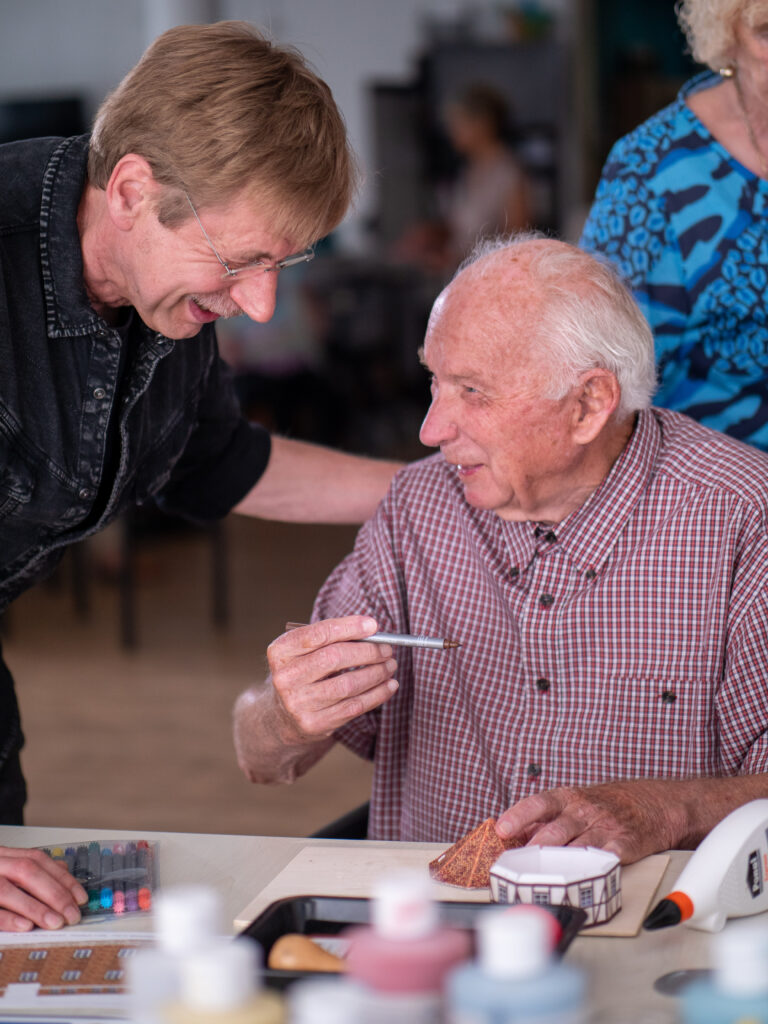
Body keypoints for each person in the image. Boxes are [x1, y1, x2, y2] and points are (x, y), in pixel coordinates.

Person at [0, 20, 400, 929]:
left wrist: (429, 487)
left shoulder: (162, 288)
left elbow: (218, 461)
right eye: (241, 261)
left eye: (281, 264)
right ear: (134, 189)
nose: (259, 304)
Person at [234, 235, 768, 866]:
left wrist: (670, 810)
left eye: (472, 391)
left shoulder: (740, 519)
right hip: (429, 933)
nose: (430, 431)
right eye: (435, 381)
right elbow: (259, 759)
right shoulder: (416, 509)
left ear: (588, 406)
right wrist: (283, 716)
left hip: (649, 931)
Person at [580, 0, 768, 450]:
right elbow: (601, 376)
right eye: (767, 32)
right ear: (728, 37)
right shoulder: (649, 169)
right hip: (717, 492)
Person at [396, 83, 531, 273]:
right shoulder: (468, 170)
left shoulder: (508, 174)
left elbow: (517, 244)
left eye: (458, 123)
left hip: (486, 277)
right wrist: (430, 235)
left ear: (483, 124)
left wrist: (458, 259)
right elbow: (462, 229)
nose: (452, 132)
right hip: (459, 273)